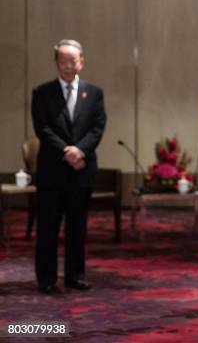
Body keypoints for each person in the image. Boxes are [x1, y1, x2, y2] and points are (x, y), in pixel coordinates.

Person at [32, 39, 107, 294]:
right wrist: (67, 150)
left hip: (81, 170)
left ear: (81, 62)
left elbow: (97, 128)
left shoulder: (94, 93)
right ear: (56, 63)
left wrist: (80, 150)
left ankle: (75, 275)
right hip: (52, 171)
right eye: (62, 61)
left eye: (72, 60)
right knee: (48, 228)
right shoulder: (42, 93)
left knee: (77, 228)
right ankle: (46, 279)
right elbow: (42, 127)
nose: (67, 65)